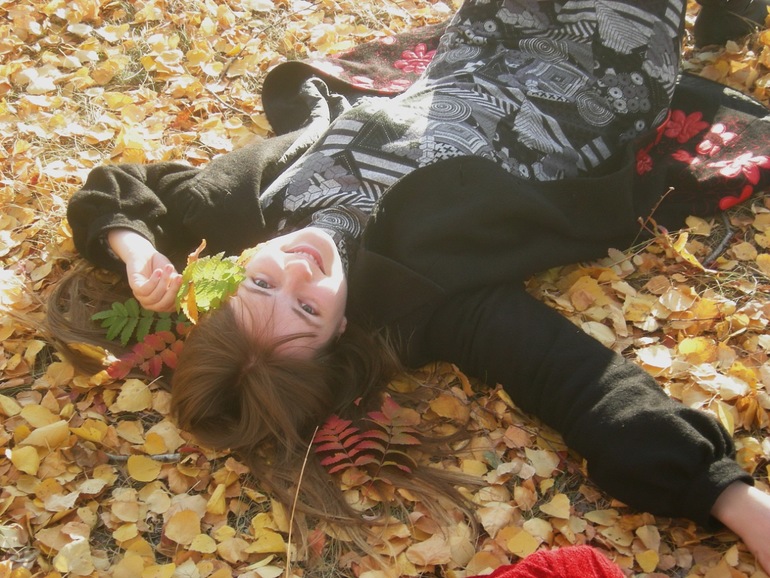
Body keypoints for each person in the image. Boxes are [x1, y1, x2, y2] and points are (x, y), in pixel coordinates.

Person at [51, 0, 770, 573]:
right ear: (339, 330)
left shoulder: (261, 206)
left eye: (262, 283)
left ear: (234, 274)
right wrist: (731, 497)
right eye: (306, 308)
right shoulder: (430, 299)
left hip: (484, 43)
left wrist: (134, 248)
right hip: (597, 75)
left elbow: (122, 187)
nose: (298, 267)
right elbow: (577, 383)